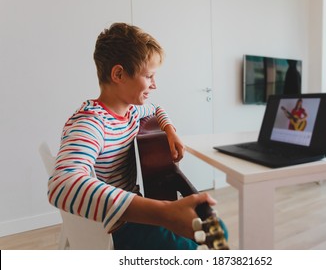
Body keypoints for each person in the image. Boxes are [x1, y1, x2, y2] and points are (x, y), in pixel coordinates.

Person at [47, 22, 223, 250]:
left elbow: (157, 109)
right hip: (116, 225)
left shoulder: (130, 111)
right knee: (189, 245)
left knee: (215, 228)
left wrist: (169, 130)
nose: (154, 84)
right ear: (119, 74)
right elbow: (62, 185)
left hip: (132, 211)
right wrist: (164, 213)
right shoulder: (91, 123)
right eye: (149, 76)